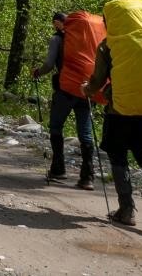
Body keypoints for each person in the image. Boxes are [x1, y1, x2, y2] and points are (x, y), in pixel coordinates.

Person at [83, 38, 142, 226]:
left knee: (118, 155)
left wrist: (87, 89)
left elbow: (98, 79)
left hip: (119, 108)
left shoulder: (110, 43)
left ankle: (126, 209)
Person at [31, 11, 95, 189]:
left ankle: (59, 169)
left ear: (57, 23)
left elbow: (50, 64)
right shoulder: (88, 39)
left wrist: (37, 72)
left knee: (56, 126)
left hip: (65, 90)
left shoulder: (57, 39)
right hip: (87, 90)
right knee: (85, 133)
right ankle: (87, 177)